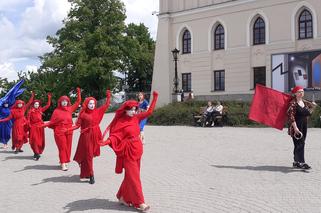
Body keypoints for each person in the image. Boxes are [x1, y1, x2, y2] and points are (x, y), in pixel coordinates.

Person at [99, 91, 158, 212]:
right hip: (128, 152)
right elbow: (115, 136)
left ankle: (122, 197)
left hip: (138, 150)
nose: (133, 111)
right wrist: (106, 142)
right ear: (125, 110)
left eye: (135, 109)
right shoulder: (121, 122)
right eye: (131, 109)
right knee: (134, 178)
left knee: (130, 176)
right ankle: (140, 202)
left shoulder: (136, 118)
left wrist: (155, 98)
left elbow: (149, 112)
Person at [70, 90, 111, 184]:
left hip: (96, 135)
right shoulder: (83, 114)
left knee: (90, 156)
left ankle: (86, 173)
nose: (92, 105)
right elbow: (77, 126)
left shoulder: (97, 111)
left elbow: (106, 105)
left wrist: (108, 97)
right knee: (88, 155)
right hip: (86, 136)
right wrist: (68, 129)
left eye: (93, 103)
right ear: (86, 104)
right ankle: (92, 175)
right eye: (90, 103)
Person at [43, 88, 81, 171]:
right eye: (63, 101)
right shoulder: (56, 111)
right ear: (60, 102)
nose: (64, 102)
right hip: (59, 131)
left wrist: (78, 92)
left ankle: (63, 160)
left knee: (68, 147)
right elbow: (52, 122)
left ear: (68, 102)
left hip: (69, 130)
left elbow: (78, 102)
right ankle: (63, 163)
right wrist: (44, 125)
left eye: (66, 101)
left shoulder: (70, 109)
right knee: (62, 147)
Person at [287, 86, 316, 170]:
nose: (301, 93)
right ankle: (302, 162)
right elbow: (291, 116)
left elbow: (307, 113)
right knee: (301, 143)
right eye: (299, 91)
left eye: (302, 91)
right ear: (295, 93)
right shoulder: (293, 103)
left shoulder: (305, 103)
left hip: (304, 125)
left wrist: (313, 107)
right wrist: (295, 128)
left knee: (298, 144)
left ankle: (296, 162)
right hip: (295, 126)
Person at [0, 80, 25, 149]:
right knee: (2, 133)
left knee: (8, 133)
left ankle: (7, 143)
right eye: (5, 103)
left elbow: (16, 103)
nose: (6, 104)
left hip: (8, 122)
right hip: (2, 122)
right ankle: (5, 143)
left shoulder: (10, 108)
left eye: (7, 103)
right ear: (3, 104)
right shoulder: (1, 108)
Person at [27, 93, 52, 160]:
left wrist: (49, 98)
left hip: (40, 127)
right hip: (33, 127)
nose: (36, 105)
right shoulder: (30, 111)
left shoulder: (40, 110)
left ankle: (36, 152)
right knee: (34, 140)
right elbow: (28, 120)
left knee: (39, 141)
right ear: (33, 105)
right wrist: (29, 126)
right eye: (35, 104)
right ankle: (37, 153)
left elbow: (48, 105)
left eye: (38, 104)